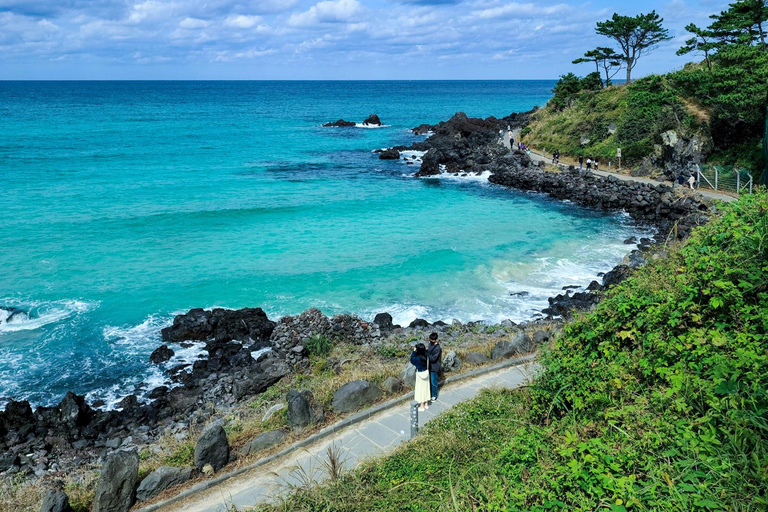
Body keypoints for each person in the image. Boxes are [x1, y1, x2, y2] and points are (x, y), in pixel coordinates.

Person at [410, 343, 431, 411]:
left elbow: (412, 360)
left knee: (420, 389)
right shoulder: (427, 356)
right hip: (426, 372)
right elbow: (426, 351)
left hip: (420, 374)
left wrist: (413, 352)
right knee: (426, 388)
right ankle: (426, 404)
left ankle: (422, 405)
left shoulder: (417, 358)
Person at [427, 332, 442, 402]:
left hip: (434, 367)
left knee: (434, 382)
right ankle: (430, 394)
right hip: (429, 366)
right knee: (430, 381)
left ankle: (434, 396)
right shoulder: (430, 344)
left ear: (434, 340)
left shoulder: (437, 348)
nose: (430, 341)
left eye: (431, 339)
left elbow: (433, 359)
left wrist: (426, 355)